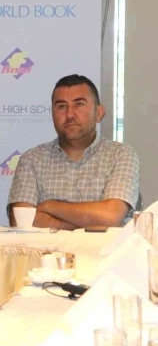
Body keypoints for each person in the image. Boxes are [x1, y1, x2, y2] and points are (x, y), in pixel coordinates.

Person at [8, 75, 140, 230]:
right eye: (61, 106)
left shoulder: (121, 155)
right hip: (48, 246)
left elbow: (110, 217)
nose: (70, 114)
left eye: (79, 104)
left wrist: (49, 206)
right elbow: (21, 221)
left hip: (105, 246)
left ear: (99, 113)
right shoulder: (32, 159)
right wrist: (88, 223)